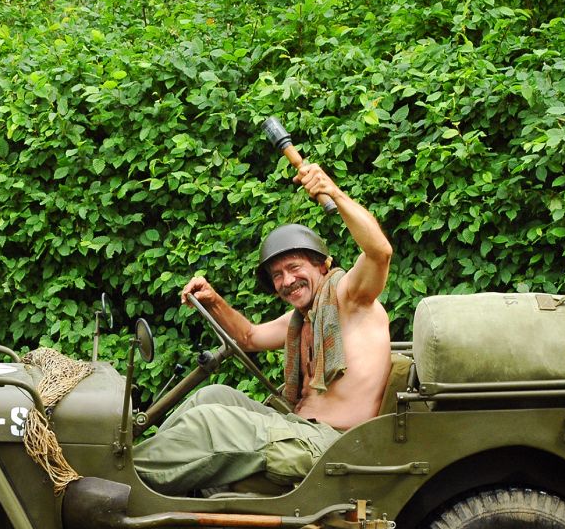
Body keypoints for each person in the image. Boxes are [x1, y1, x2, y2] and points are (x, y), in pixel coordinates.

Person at [134, 162, 392, 495]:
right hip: (298, 426)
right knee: (212, 397)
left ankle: (122, 482)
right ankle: (146, 479)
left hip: (335, 443)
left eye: (294, 267)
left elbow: (379, 252)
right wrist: (213, 301)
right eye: (277, 275)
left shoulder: (350, 298)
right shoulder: (305, 317)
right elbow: (248, 337)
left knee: (211, 424)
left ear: (323, 265)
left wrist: (334, 193)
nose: (287, 281)